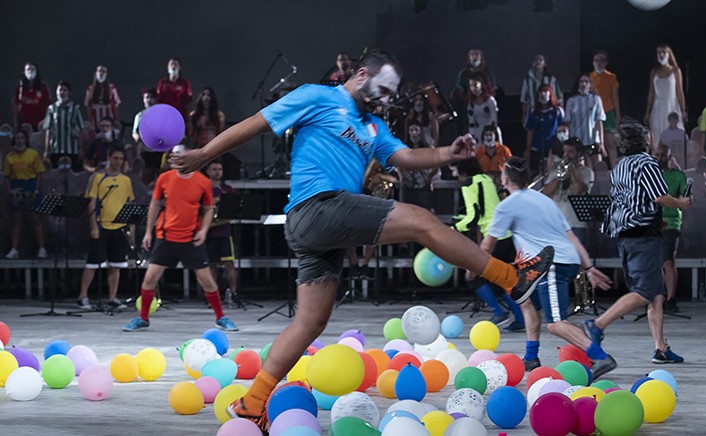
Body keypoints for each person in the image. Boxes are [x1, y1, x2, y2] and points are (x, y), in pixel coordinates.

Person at [169, 49, 553, 430]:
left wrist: (446, 153)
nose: (388, 100)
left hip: (324, 230)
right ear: (362, 74)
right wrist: (204, 153)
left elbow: (404, 156)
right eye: (385, 90)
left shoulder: (372, 126)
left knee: (310, 321)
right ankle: (510, 277)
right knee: (421, 221)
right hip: (317, 207)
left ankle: (253, 402)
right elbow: (255, 123)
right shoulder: (318, 96)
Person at [559, 120, 692, 378]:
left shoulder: (620, 166)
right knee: (645, 291)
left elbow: (629, 199)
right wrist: (682, 203)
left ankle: (660, 348)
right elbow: (660, 197)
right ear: (644, 141)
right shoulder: (647, 163)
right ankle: (597, 325)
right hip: (643, 237)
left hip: (626, 235)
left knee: (655, 294)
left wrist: (651, 216)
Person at [469, 156, 611, 370]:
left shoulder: (507, 205)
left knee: (555, 324)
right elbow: (572, 237)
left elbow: (488, 245)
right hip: (557, 262)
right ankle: (531, 357)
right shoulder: (545, 200)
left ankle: (600, 356)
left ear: (505, 180)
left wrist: (473, 267)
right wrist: (588, 267)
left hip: (551, 265)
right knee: (526, 303)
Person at [123, 145, 238, 332]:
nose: (174, 158)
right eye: (172, 155)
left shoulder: (202, 181)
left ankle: (221, 317)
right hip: (166, 236)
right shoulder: (164, 178)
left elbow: (208, 210)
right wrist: (148, 232)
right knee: (149, 279)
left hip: (191, 238)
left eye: (178, 155)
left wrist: (203, 231)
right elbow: (154, 205)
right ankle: (143, 318)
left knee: (207, 281)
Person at [452, 158, 525, 332]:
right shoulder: (486, 179)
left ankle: (498, 312)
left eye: (454, 169)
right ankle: (520, 319)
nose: (454, 174)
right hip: (507, 236)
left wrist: (453, 227)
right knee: (504, 281)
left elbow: (474, 216)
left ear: (462, 169)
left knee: (472, 277)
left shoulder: (469, 184)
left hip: (493, 239)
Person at [77, 146, 134, 310]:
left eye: (121, 159)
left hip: (119, 226)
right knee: (93, 263)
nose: (118, 161)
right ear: (109, 157)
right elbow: (92, 202)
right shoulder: (98, 177)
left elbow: (129, 205)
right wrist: (94, 226)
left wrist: (131, 230)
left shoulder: (126, 180)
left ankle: (113, 298)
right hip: (102, 225)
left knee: (116, 264)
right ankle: (83, 296)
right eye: (115, 158)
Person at [652, 143, 687, 312]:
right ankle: (656, 297)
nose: (660, 158)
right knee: (654, 262)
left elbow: (686, 200)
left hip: (671, 222)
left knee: (667, 261)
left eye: (663, 155)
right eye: (657, 155)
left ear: (669, 156)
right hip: (651, 224)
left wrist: (671, 202)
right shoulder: (649, 176)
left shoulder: (678, 175)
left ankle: (671, 299)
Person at [541, 137, 594, 247]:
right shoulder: (557, 169)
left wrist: (572, 172)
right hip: (557, 225)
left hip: (576, 225)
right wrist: (559, 177)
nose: (566, 155)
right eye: (564, 151)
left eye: (571, 152)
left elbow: (578, 190)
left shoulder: (586, 172)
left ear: (578, 154)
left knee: (577, 261)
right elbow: (545, 193)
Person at [3, 131, 47, 259]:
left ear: (26, 140)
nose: (19, 140)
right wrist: (10, 191)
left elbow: (39, 174)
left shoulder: (33, 154)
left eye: (22, 138)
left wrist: (36, 191)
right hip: (16, 185)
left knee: (35, 218)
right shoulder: (9, 156)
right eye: (17, 138)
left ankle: (42, 248)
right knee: (16, 220)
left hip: (30, 184)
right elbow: (6, 176)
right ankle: (14, 249)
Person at [204, 160, 240, 301]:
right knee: (211, 265)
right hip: (208, 232)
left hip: (224, 232)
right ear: (208, 171)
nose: (217, 172)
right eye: (214, 169)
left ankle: (233, 294)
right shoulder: (204, 188)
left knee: (229, 264)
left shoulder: (228, 189)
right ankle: (214, 297)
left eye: (220, 169)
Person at [644, 44, 686, 147]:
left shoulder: (675, 71)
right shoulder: (654, 72)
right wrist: (647, 112)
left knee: (673, 138)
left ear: (668, 55)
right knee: (656, 137)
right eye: (659, 52)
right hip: (657, 108)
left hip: (672, 107)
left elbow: (680, 92)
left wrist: (683, 110)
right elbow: (651, 92)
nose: (661, 55)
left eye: (664, 52)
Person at [589, 51, 622, 167]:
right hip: (594, 115)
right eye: (596, 60)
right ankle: (594, 173)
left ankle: (615, 170)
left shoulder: (611, 77)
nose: (599, 63)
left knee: (611, 143)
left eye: (602, 60)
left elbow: (615, 97)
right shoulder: (590, 77)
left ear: (606, 63)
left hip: (608, 111)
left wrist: (618, 115)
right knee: (594, 144)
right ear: (593, 63)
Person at [43, 81, 85, 171]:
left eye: (65, 90)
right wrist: (47, 150)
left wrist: (81, 148)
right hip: (56, 149)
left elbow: (80, 129)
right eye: (60, 89)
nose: (62, 92)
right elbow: (48, 130)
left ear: (68, 92)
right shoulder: (51, 108)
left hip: (72, 149)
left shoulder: (75, 108)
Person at [525, 83, 565, 178]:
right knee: (534, 171)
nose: (543, 94)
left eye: (545, 92)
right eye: (541, 92)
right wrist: (528, 149)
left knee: (551, 171)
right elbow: (530, 131)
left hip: (552, 147)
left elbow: (563, 127)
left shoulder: (557, 111)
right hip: (536, 147)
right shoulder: (533, 112)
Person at [564, 75, 606, 164]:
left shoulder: (596, 99)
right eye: (581, 81)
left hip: (593, 139)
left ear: (590, 84)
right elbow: (568, 122)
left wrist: (602, 143)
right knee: (580, 167)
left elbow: (599, 121)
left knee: (598, 164)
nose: (583, 84)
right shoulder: (572, 101)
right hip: (577, 139)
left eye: (586, 81)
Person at [520, 54, 562, 127]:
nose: (538, 61)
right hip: (533, 114)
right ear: (533, 63)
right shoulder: (527, 80)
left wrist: (560, 115)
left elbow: (558, 99)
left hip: (549, 114)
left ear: (545, 64)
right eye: (536, 59)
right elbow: (524, 101)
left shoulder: (551, 80)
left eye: (540, 59)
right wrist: (524, 116)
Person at [400, 123, 436, 210]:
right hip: (409, 184)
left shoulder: (427, 147)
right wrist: (402, 176)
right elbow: (399, 163)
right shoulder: (403, 147)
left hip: (423, 183)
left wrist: (429, 177)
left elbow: (436, 163)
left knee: (424, 210)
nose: (414, 133)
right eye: (411, 130)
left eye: (416, 130)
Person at [13, 62, 52, 131]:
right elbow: (16, 104)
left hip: (40, 122)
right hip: (24, 122)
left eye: (32, 69)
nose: (30, 71)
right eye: (28, 69)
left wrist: (47, 122)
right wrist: (16, 122)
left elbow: (48, 105)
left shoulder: (43, 87)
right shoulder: (20, 87)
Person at [466, 73, 498, 143]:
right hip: (478, 135)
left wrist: (489, 132)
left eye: (475, 85)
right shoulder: (471, 104)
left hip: (491, 132)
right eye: (471, 86)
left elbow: (494, 118)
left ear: (482, 85)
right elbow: (471, 123)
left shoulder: (490, 101)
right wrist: (471, 137)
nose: (473, 88)